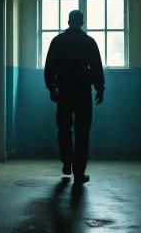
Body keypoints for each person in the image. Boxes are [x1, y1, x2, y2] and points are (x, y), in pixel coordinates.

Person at [44, 10, 105, 185]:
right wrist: (100, 89)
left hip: (64, 91)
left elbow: (49, 67)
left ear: (69, 21)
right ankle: (79, 172)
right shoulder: (88, 42)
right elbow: (96, 67)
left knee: (63, 128)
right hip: (83, 92)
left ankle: (66, 160)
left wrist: (52, 89)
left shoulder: (58, 41)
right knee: (82, 132)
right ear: (82, 22)